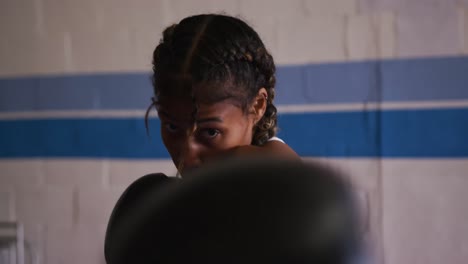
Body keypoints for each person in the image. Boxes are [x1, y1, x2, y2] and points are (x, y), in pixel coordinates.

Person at [145, 14, 300, 176]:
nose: (188, 157)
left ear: (257, 106)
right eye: (172, 127)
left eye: (210, 132)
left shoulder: (277, 180)